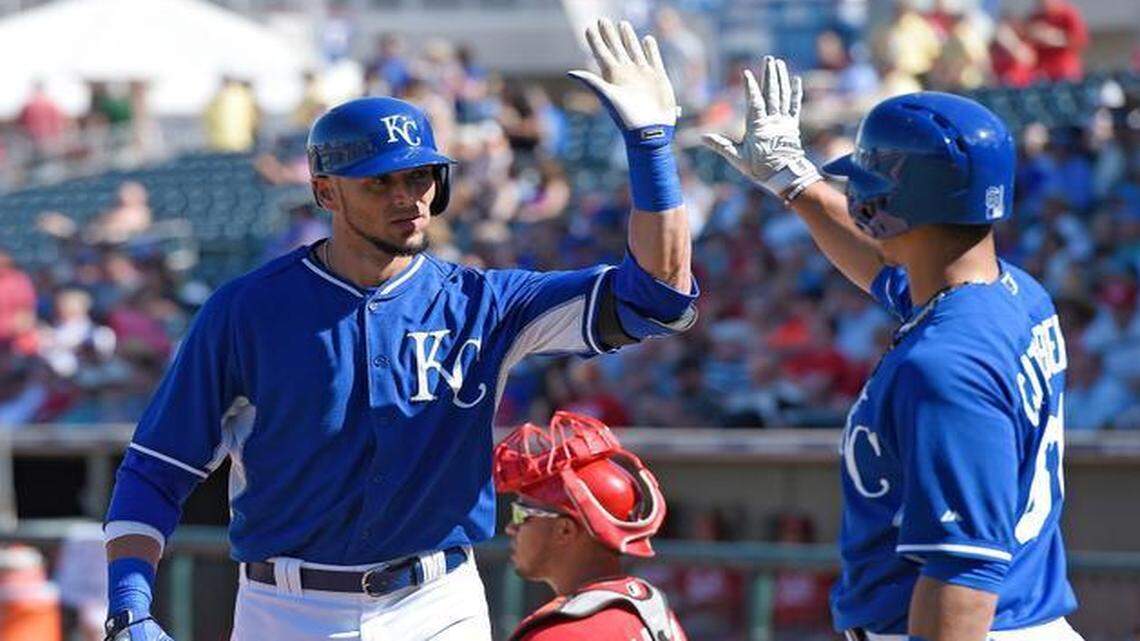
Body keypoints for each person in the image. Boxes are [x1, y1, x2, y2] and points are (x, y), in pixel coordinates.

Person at [100, 18, 697, 641]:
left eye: (419, 176)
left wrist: (650, 146)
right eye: (379, 180)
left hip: (439, 603)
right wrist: (129, 607)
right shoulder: (246, 311)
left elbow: (656, 295)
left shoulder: (483, 302)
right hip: (289, 608)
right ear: (325, 192)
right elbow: (156, 469)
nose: (407, 196)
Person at [703, 57, 1082, 639]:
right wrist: (795, 181)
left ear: (879, 208)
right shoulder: (1013, 294)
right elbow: (888, 271)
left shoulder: (947, 363)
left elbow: (963, 575)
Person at [493, 411, 687, 641]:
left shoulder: (558, 633)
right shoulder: (650, 607)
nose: (511, 528)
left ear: (564, 530)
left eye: (521, 515)